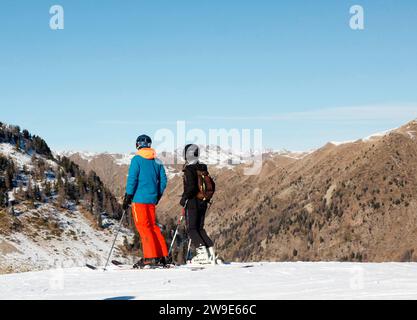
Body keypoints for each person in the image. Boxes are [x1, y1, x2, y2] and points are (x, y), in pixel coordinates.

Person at [123, 134, 168, 268]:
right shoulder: (157, 160)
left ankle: (149, 257)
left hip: (139, 199)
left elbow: (132, 179)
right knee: (153, 227)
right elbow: (163, 180)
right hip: (151, 199)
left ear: (138, 145)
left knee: (143, 227)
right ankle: (163, 256)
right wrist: (158, 195)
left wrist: (128, 196)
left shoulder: (136, 159)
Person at [180, 144, 217, 265]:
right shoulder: (202, 167)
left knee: (191, 229)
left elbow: (191, 188)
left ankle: (202, 254)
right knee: (200, 228)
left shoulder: (190, 169)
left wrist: (184, 198)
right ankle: (211, 253)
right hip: (204, 201)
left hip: (193, 202)